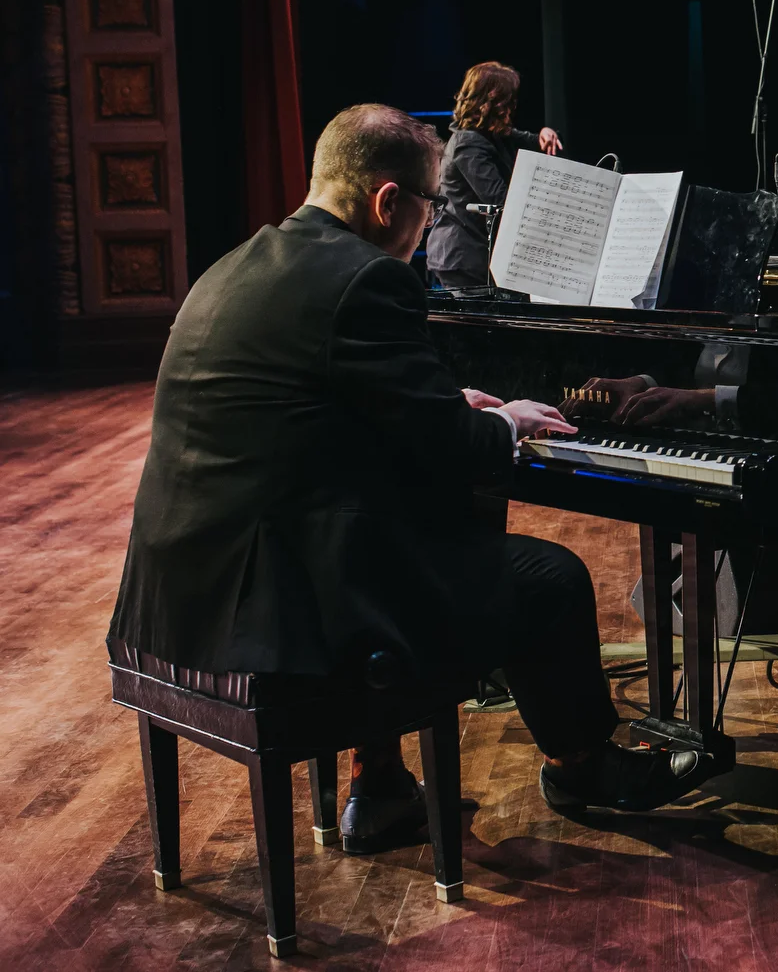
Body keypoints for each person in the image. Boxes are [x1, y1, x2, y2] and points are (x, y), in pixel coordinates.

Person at [107, 105, 714, 854]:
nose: (432, 225)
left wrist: (442, 402)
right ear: (387, 201)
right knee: (549, 577)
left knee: (395, 527)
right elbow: (457, 451)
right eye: (433, 204)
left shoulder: (233, 267)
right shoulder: (368, 280)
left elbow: (310, 404)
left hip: (173, 597)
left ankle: (383, 783)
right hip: (273, 613)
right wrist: (504, 422)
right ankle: (584, 768)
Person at [425, 62, 563, 288]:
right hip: (463, 256)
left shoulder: (494, 135)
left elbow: (532, 140)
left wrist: (546, 134)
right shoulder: (467, 143)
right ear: (491, 103)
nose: (512, 107)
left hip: (477, 255)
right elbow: (498, 199)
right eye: (508, 101)